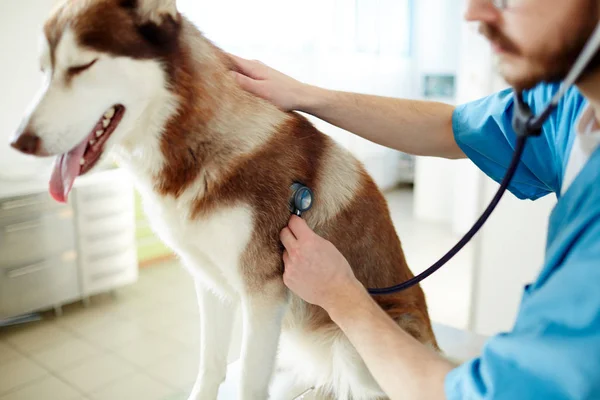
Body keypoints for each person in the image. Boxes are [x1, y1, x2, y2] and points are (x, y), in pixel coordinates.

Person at [229, 0, 600, 399]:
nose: (474, 14)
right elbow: (449, 127)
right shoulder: (572, 108)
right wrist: (304, 95)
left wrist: (340, 295)